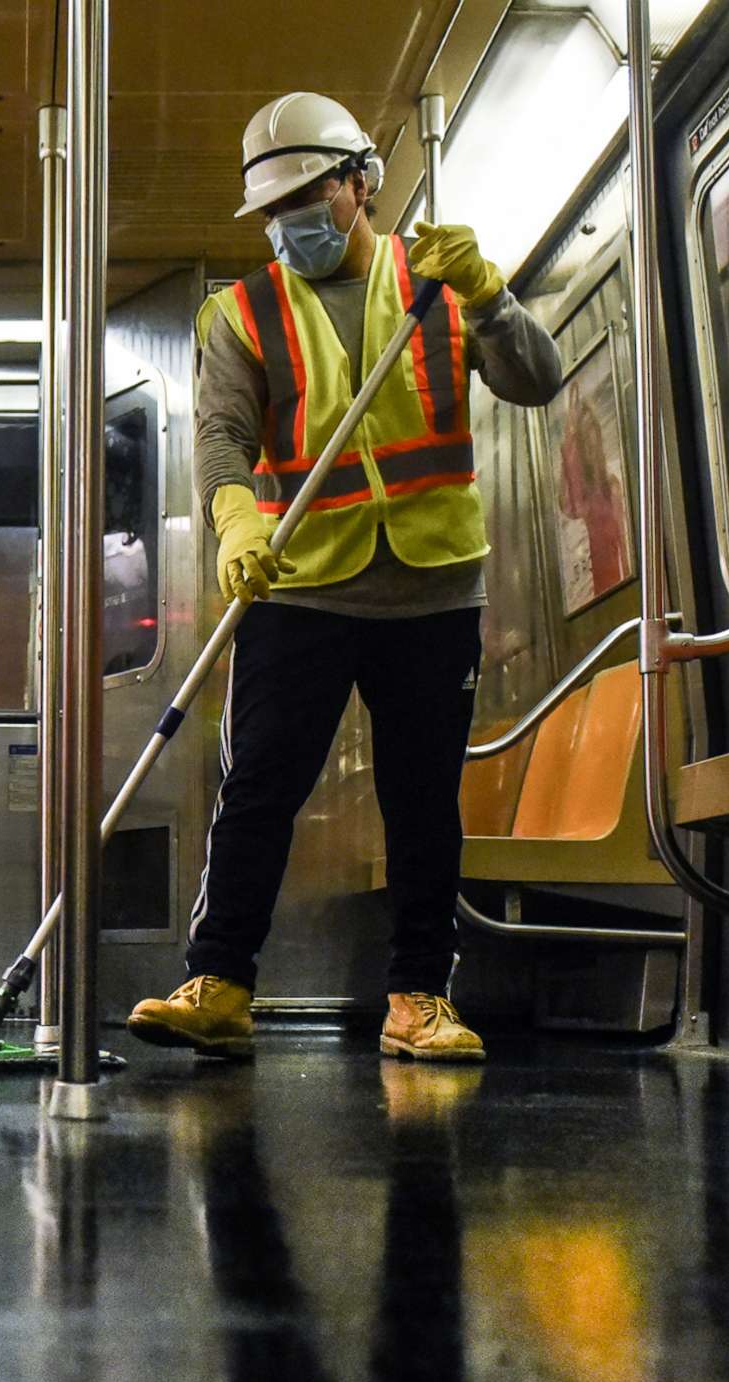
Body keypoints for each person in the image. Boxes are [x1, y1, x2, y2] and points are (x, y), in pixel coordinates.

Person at [126, 92, 561, 1064]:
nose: (291, 224)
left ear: (360, 183)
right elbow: (223, 440)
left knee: (421, 799)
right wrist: (236, 521)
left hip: (433, 589)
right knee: (259, 789)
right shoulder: (242, 313)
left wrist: (490, 295)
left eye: (307, 197)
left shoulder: (440, 281)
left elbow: (538, 380)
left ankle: (418, 1000)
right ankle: (222, 981)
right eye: (274, 211)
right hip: (299, 586)